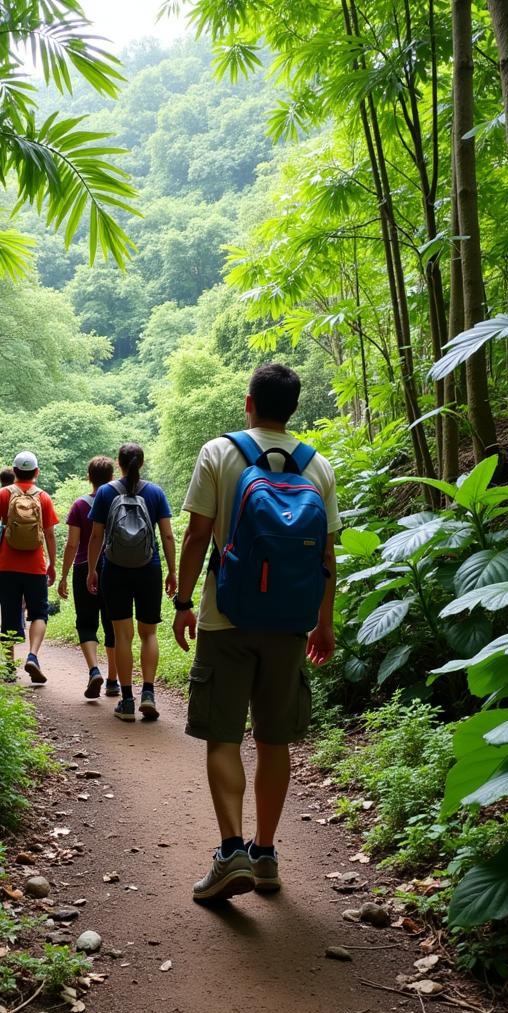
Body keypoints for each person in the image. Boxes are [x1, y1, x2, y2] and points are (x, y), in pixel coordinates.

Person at [171, 363, 340, 903]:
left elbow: (198, 536)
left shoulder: (219, 453)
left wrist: (181, 603)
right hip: (290, 623)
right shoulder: (318, 467)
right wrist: (324, 622)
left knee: (224, 735)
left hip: (227, 618)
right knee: (274, 740)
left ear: (248, 403)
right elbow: (327, 557)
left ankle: (231, 852)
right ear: (292, 409)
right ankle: (266, 855)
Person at [87, 443, 176, 722]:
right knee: (148, 633)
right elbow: (168, 536)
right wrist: (173, 571)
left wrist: (92, 569)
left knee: (122, 634)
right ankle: (148, 693)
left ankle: (126, 702)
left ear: (119, 463)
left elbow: (96, 536)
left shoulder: (104, 492)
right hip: (148, 567)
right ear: (143, 463)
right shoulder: (155, 492)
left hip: (114, 569)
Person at [0, 451, 58, 684]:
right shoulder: (43, 497)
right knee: (39, 613)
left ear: (14, 472)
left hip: (6, 566)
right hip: (35, 567)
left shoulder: (3, 494)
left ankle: (9, 668)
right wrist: (52, 564)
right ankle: (32, 655)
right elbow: (50, 534)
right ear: (36, 472)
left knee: (10, 614)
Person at [58, 456, 119, 700]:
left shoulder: (80, 505)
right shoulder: (119, 502)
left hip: (85, 567)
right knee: (113, 622)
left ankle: (94, 670)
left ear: (88, 477)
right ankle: (113, 680)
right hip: (115, 567)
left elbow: (72, 544)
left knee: (86, 622)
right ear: (112, 477)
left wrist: (63, 575)